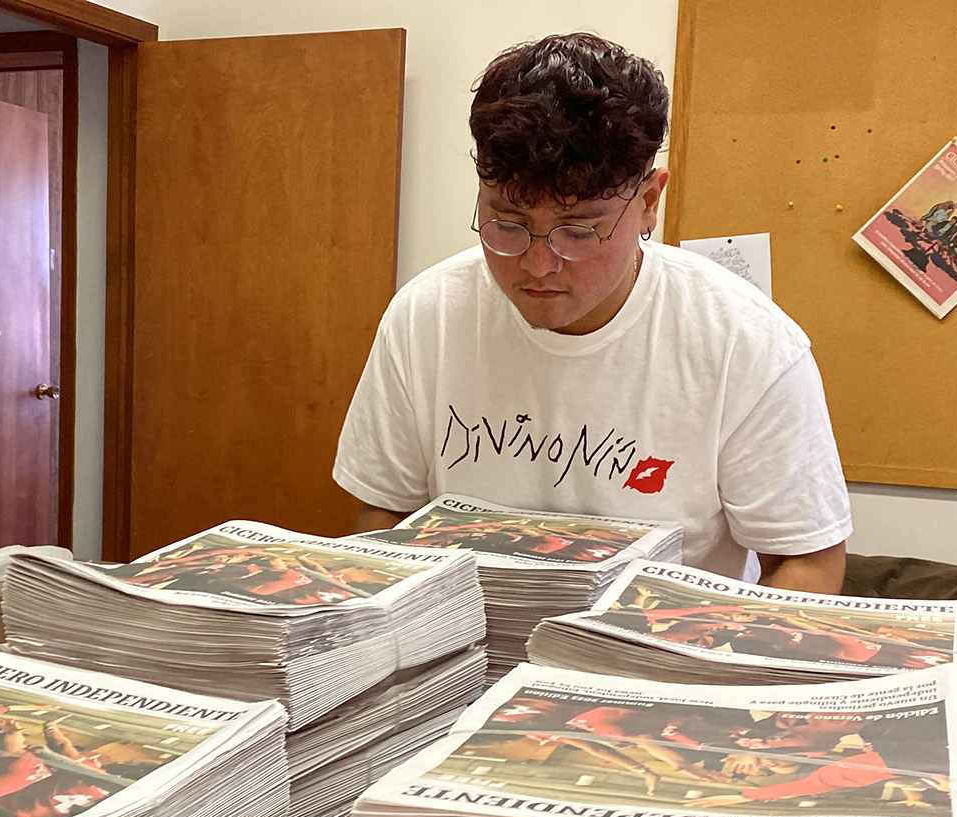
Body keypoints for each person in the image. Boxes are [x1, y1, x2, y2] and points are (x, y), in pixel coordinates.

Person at [333, 33, 851, 591]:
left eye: (578, 230)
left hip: (654, 661)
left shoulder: (743, 343)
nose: (537, 265)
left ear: (649, 201)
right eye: (507, 223)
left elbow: (806, 560)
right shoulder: (426, 317)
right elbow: (385, 515)